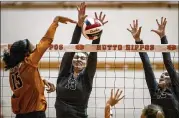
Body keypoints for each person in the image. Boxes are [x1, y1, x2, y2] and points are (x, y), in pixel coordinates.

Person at [2, 15, 76, 118]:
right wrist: (56, 21)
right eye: (30, 44)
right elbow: (46, 41)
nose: (34, 45)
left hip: (21, 114)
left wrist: (41, 81)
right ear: (26, 53)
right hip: (35, 114)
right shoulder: (30, 61)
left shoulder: (13, 69)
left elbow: (26, 84)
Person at [55, 2, 108, 118]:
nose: (79, 59)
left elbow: (93, 55)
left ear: (86, 63)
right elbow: (72, 47)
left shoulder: (86, 78)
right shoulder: (64, 74)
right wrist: (79, 25)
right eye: (76, 57)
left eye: (83, 58)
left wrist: (97, 34)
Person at [127, 18, 179, 118]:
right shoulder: (155, 91)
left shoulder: (176, 89)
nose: (163, 75)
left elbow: (168, 63)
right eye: (162, 74)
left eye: (166, 74)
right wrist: (138, 40)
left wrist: (163, 37)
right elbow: (147, 67)